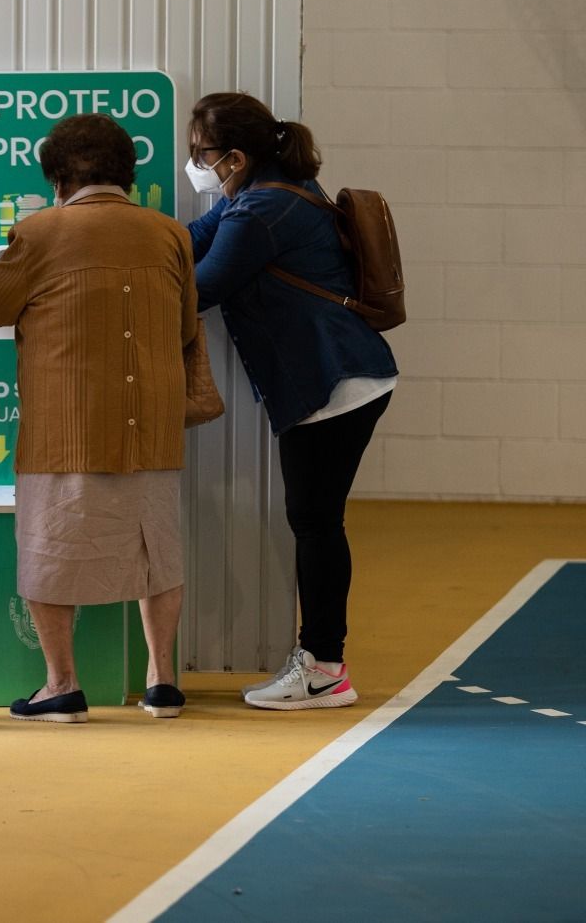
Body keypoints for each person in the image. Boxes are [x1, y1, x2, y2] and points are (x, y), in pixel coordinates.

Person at [0, 114, 197, 723]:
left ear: (58, 179)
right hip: (153, 424)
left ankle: (62, 685)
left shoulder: (39, 231)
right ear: (127, 172)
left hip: (66, 425)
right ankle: (162, 681)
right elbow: (185, 327)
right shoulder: (170, 233)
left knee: (50, 546)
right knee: (157, 550)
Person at [184, 92, 397, 711]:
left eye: (200, 153)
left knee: (316, 523)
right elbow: (186, 242)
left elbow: (198, 289)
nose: (194, 164)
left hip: (333, 382)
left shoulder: (261, 210)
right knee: (316, 520)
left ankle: (324, 669)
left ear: (234, 157)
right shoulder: (267, 193)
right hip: (338, 376)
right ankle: (323, 662)